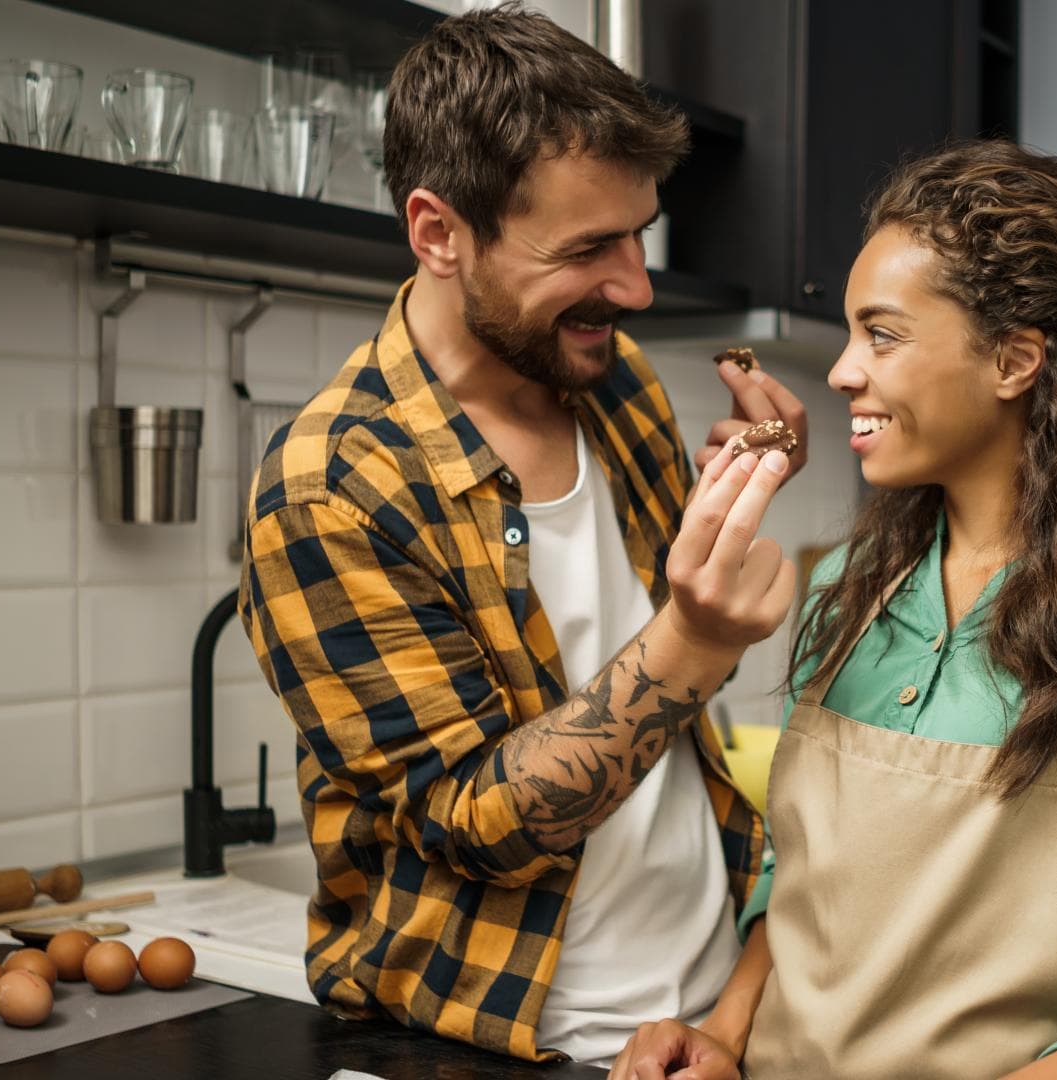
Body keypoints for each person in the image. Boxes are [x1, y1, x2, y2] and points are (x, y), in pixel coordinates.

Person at [611, 141, 1057, 1080]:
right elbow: (796, 879)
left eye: (881, 336)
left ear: (1014, 360)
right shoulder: (847, 590)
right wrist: (722, 1033)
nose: (843, 373)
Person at [237, 3, 811, 1065]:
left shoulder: (609, 377)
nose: (634, 287)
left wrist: (734, 499)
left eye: (638, 235)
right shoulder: (331, 490)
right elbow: (476, 822)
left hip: (708, 1013)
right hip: (511, 1039)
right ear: (439, 232)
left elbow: (638, 701)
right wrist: (698, 638)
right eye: (590, 248)